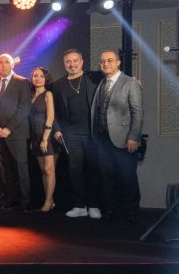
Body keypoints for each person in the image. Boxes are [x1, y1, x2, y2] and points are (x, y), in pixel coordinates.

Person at [92, 50, 143, 224]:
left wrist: (133, 137)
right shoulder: (101, 82)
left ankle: (131, 213)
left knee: (127, 177)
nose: (105, 63)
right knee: (107, 177)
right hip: (102, 139)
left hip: (124, 139)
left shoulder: (130, 82)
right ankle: (110, 211)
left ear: (118, 62)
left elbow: (138, 112)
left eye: (110, 60)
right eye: (102, 61)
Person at [52, 49, 102, 219]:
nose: (72, 64)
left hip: (92, 134)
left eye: (75, 61)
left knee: (93, 170)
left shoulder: (94, 78)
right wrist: (57, 129)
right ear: (64, 64)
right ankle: (79, 205)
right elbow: (54, 112)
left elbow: (114, 81)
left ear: (81, 62)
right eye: (68, 61)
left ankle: (93, 205)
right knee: (75, 172)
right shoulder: (58, 85)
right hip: (71, 136)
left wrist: (134, 82)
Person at [0, 53, 32, 211]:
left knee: (20, 167)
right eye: (0, 62)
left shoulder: (23, 82)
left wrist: (8, 128)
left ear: (13, 65)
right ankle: (11, 198)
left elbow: (24, 108)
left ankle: (25, 201)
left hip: (16, 132)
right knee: (5, 168)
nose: (3, 65)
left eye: (7, 62)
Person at [30, 67, 57, 213]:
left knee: (49, 170)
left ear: (46, 79)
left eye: (41, 76)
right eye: (35, 76)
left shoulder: (48, 94)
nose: (38, 78)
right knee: (43, 171)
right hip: (35, 137)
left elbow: (51, 117)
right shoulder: (31, 95)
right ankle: (50, 200)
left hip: (47, 137)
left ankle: (48, 201)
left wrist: (45, 139)